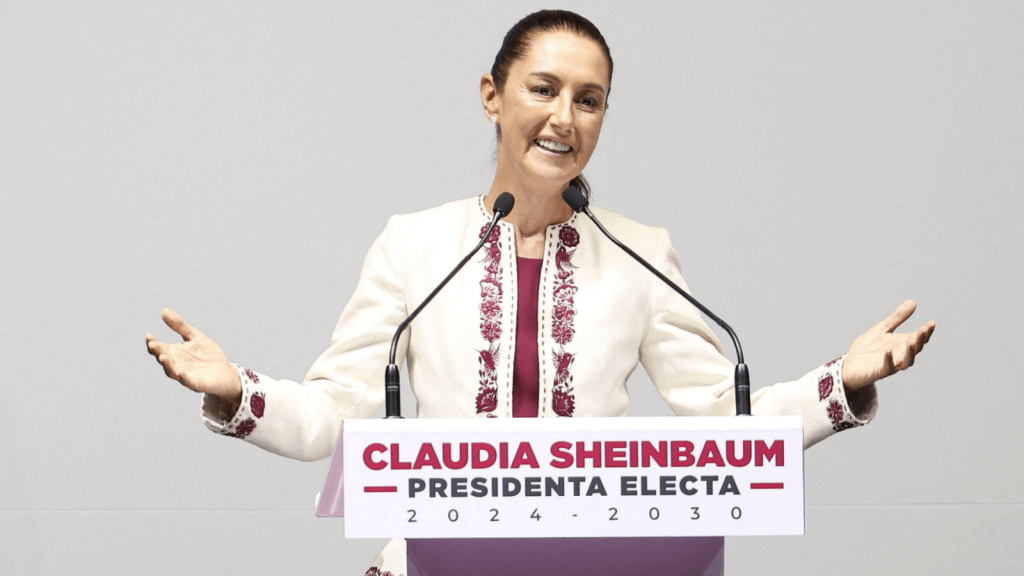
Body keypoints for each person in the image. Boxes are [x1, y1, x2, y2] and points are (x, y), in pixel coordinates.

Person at [145, 10, 935, 575]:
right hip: (432, 564)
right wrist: (236, 391)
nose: (565, 117)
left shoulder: (640, 254)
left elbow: (726, 429)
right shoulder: (414, 245)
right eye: (544, 89)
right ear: (493, 95)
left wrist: (839, 386)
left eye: (588, 100)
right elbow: (337, 415)